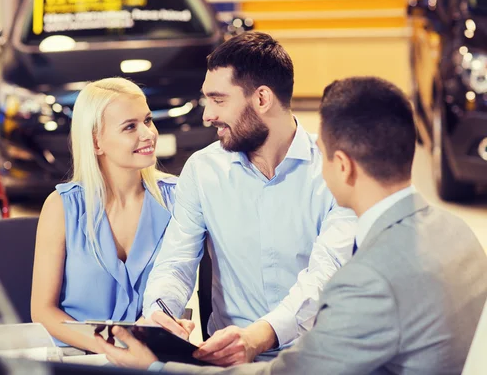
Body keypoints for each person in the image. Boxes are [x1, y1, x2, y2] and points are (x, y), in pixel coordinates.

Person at [97, 76, 487, 374]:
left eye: (323, 153)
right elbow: (176, 259)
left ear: (343, 165)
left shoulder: (368, 280)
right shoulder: (458, 233)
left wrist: (154, 367)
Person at [139, 31, 357, 365]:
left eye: (219, 100)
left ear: (262, 99)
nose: (207, 115)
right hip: (230, 360)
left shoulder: (333, 168)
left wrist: (259, 336)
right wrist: (159, 313)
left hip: (317, 358)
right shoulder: (202, 170)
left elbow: (327, 274)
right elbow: (176, 262)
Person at [30, 77, 177, 353]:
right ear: (96, 141)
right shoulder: (62, 207)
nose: (148, 134)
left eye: (147, 120)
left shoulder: (177, 200)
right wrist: (112, 351)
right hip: (77, 359)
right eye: (130, 127)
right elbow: (43, 310)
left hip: (152, 360)